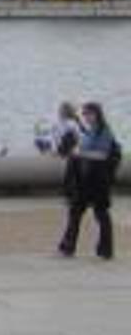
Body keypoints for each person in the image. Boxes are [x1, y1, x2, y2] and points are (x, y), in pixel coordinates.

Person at [56, 101, 117, 260]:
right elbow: (84, 149)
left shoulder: (105, 132)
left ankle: (106, 249)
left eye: (88, 114)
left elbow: (103, 155)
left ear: (97, 114)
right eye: (84, 114)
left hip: (99, 180)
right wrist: (76, 151)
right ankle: (67, 247)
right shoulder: (90, 131)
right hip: (85, 179)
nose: (86, 117)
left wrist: (81, 154)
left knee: (101, 214)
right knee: (75, 212)